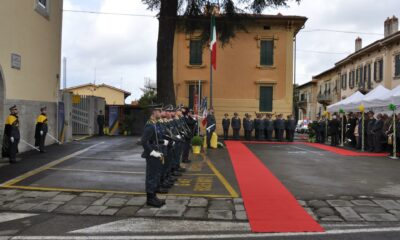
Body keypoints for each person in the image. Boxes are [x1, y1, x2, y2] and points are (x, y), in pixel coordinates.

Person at [141, 105, 166, 207]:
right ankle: (150, 199)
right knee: (151, 176)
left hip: (157, 153)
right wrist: (152, 152)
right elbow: (144, 141)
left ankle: (154, 196)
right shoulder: (150, 125)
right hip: (152, 155)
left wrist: (162, 141)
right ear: (154, 112)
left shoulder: (154, 124)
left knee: (155, 175)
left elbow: (154, 139)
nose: (160, 113)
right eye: (159, 111)